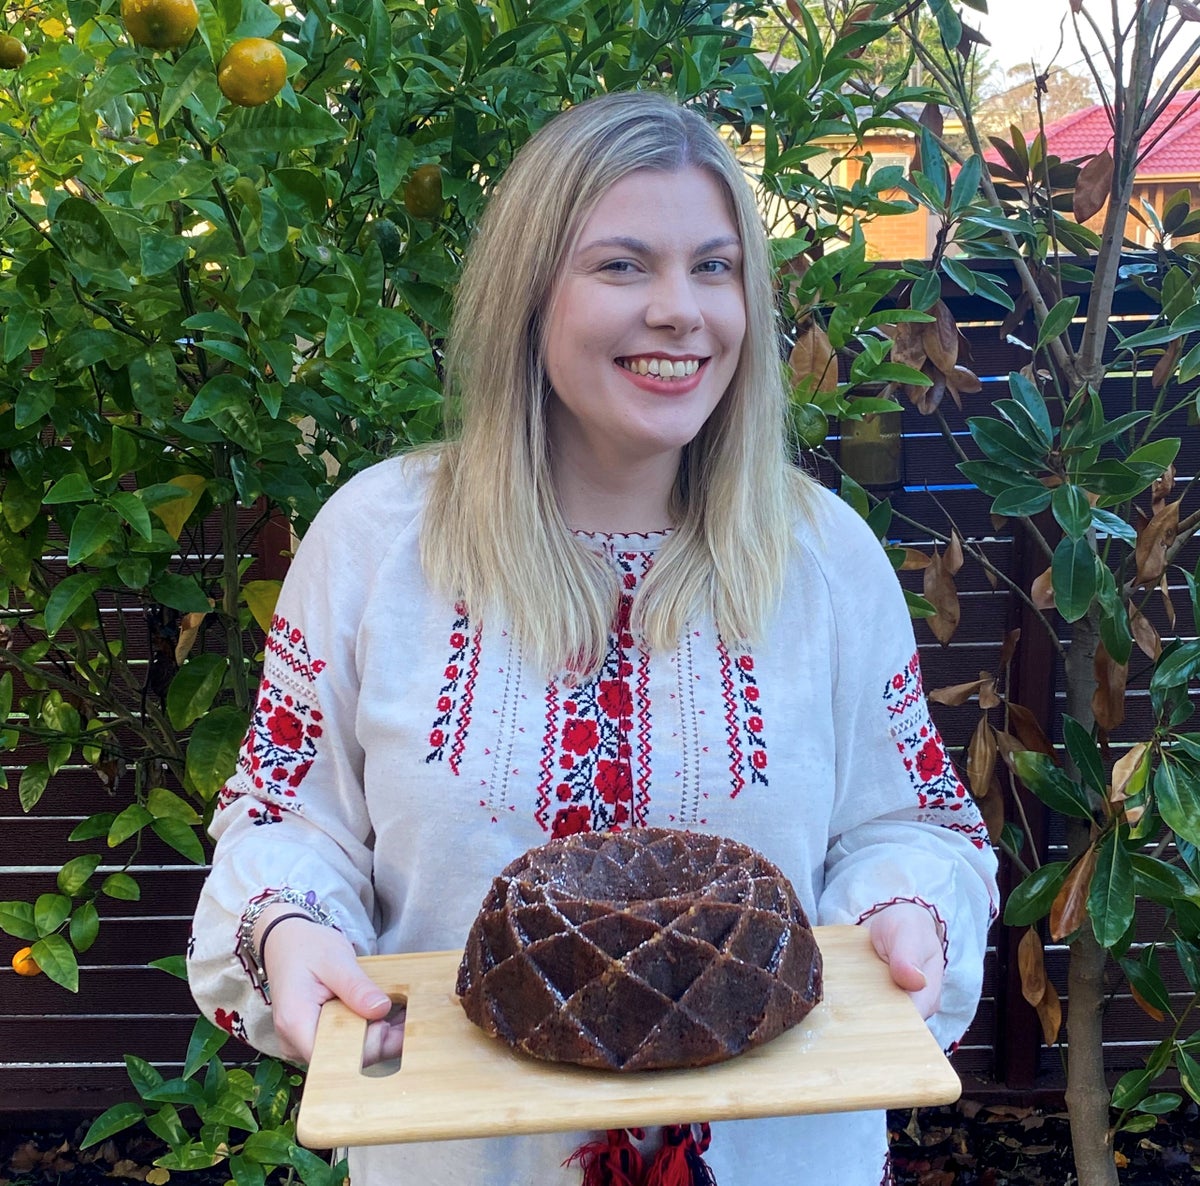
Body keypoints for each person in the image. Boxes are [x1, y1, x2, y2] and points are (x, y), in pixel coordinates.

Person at [187, 90, 999, 1185]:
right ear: (528, 295)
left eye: (715, 269)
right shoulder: (378, 542)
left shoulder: (824, 556)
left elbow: (912, 824)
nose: (681, 311)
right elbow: (286, 820)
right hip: (458, 1157)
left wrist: (906, 909)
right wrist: (286, 929)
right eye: (622, 266)